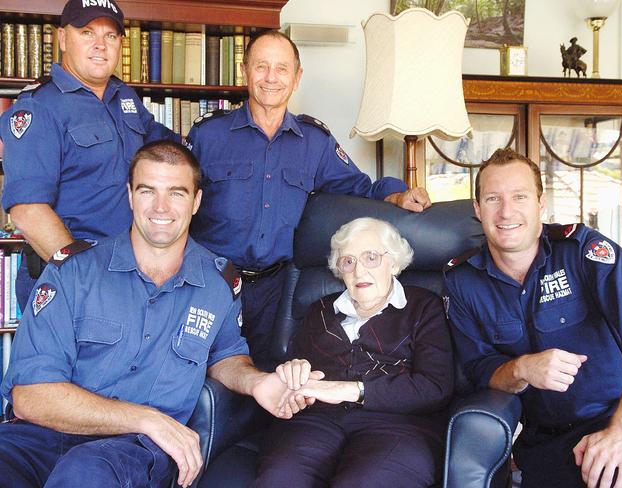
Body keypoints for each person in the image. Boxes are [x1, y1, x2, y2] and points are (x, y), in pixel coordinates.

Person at [0, 141, 310, 488]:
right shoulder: (73, 271)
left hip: (133, 450)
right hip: (42, 437)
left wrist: (258, 382)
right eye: (148, 191)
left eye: (176, 193)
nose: (161, 207)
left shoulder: (219, 283)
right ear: (130, 195)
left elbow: (226, 357)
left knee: (87, 472)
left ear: (196, 202)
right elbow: (30, 396)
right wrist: (148, 418)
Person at [186, 30, 431, 368]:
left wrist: (398, 194)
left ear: (297, 77)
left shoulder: (314, 141)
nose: (271, 77)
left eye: (282, 68)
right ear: (244, 71)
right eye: (261, 66)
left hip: (275, 289)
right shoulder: (207, 134)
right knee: (196, 367)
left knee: (268, 375)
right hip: (211, 278)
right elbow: (174, 195)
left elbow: (358, 185)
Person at [443, 148, 622, 488]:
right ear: (478, 210)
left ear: (541, 205)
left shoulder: (584, 252)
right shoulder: (461, 281)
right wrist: (523, 368)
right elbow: (480, 369)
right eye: (493, 199)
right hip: (544, 445)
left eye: (520, 197)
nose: (507, 211)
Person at [0, 0, 179, 312]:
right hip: (68, 282)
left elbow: (164, 146)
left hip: (129, 276)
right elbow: (28, 211)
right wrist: (87, 282)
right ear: (63, 38)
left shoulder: (123, 97)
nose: (100, 45)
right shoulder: (39, 107)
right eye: (87, 33)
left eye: (110, 36)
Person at [253, 217, 453, 487]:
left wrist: (350, 389)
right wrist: (293, 374)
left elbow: (434, 388)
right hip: (317, 422)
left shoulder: (424, 307)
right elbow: (297, 374)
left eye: (371, 257)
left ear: (393, 263)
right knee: (279, 479)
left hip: (398, 425)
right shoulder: (320, 310)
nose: (359, 272)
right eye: (348, 261)